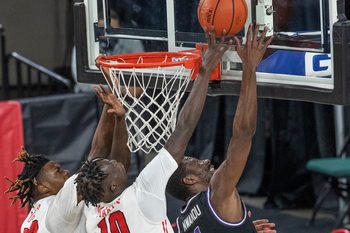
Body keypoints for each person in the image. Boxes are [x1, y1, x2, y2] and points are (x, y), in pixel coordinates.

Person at [74, 27, 233, 233]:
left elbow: (118, 160)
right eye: (112, 165)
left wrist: (120, 118)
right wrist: (205, 69)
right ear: (113, 186)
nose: (115, 160)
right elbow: (183, 128)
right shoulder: (144, 192)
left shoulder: (93, 207)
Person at [166, 25, 275, 233]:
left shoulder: (180, 223)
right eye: (196, 163)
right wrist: (250, 67)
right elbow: (242, 135)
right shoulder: (217, 193)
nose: (206, 161)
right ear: (189, 180)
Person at [5, 85, 129, 233]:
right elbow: (99, 153)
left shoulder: (29, 221)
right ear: (43, 187)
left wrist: (110, 105)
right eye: (57, 171)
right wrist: (113, 108)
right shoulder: (58, 207)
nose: (66, 172)